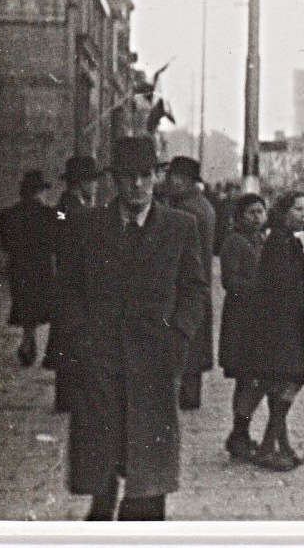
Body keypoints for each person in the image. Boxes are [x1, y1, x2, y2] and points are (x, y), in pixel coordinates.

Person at [59, 136, 206, 521]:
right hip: (101, 359)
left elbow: (195, 288)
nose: (136, 185)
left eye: (144, 176)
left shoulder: (180, 227)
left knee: (148, 475)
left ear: (157, 177)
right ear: (113, 180)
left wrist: (179, 338)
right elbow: (69, 287)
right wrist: (80, 339)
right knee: (101, 463)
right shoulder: (87, 226)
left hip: (154, 360)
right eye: (127, 177)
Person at [246, 191, 304, 471]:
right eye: (297, 209)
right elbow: (281, 283)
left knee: (279, 382)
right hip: (281, 323)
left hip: (283, 321)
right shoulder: (280, 242)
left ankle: (282, 445)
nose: (303, 215)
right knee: (293, 379)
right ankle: (269, 446)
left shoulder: (285, 240)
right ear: (284, 211)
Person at [163, 156, 217, 410]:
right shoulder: (201, 205)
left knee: (187, 339)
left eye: (172, 177)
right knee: (195, 342)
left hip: (184, 284)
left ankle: (185, 396)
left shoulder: (186, 210)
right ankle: (190, 394)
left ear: (184, 180)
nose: (167, 181)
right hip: (198, 281)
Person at [218, 193, 268, 462]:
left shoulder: (262, 240)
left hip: (257, 320)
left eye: (261, 212)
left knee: (251, 377)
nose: (258, 217)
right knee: (246, 378)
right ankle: (238, 434)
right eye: (252, 212)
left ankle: (241, 432)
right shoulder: (234, 242)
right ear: (239, 217)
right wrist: (262, 289)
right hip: (241, 320)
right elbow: (230, 281)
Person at [50, 156, 101, 412]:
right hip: (74, 281)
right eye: (92, 182)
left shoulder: (64, 204)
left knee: (65, 339)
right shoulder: (77, 210)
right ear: (82, 183)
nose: (94, 187)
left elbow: (58, 230)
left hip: (66, 278)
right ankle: (67, 398)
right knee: (71, 339)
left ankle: (65, 395)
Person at [0, 169, 59, 369]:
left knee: (25, 305)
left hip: (18, 268)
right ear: (40, 191)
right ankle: (31, 343)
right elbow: (56, 237)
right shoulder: (50, 213)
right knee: (40, 306)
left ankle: (27, 339)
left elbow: (4, 245)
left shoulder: (7, 214)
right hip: (41, 269)